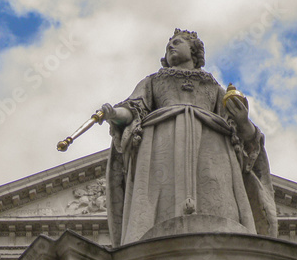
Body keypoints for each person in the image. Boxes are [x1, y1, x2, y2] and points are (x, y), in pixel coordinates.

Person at [101, 28, 277, 245]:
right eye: (168, 46)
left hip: (213, 145)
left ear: (194, 50)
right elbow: (134, 109)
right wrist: (113, 114)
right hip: (160, 145)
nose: (170, 47)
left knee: (216, 193)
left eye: (177, 42)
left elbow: (245, 135)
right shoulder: (153, 81)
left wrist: (242, 121)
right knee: (162, 198)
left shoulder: (213, 86)